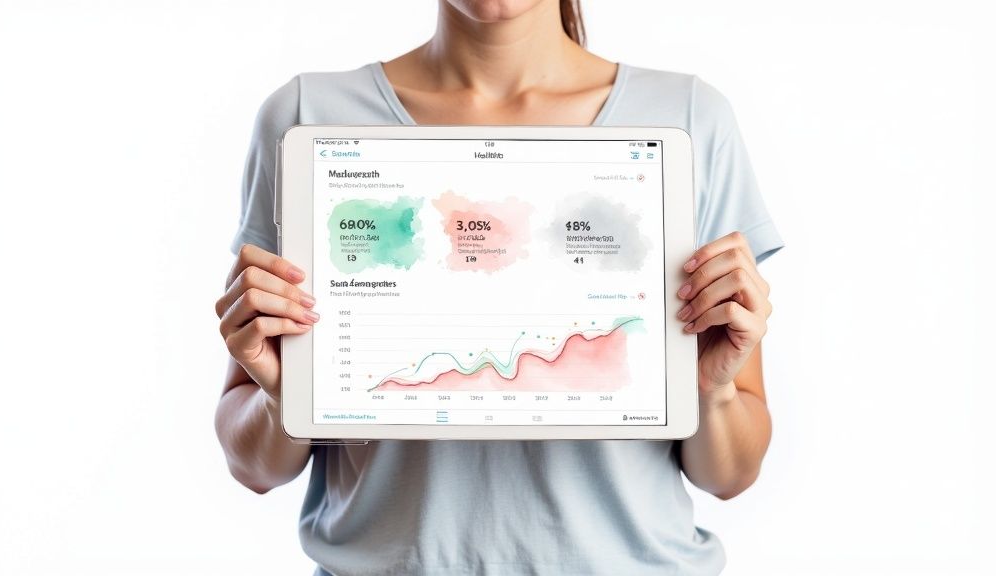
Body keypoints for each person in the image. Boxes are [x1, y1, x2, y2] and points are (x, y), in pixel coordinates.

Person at [214, 0, 784, 573]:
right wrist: (286, 397)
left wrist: (712, 395)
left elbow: (731, 476)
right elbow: (255, 469)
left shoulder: (688, 117)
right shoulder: (306, 116)